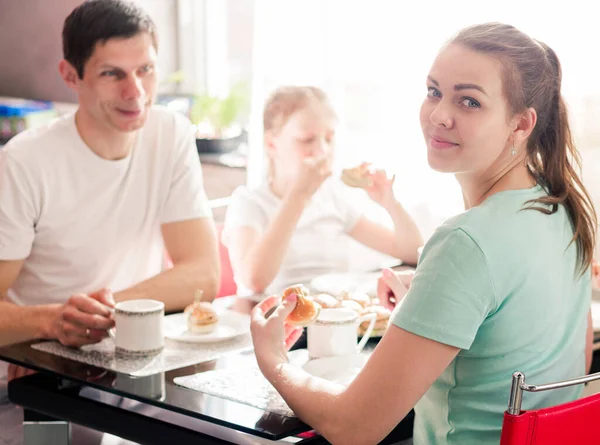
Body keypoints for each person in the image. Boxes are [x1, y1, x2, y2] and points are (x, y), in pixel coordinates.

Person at [250, 22, 597, 445]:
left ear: (521, 125)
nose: (439, 114)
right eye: (434, 91)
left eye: (469, 101)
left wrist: (273, 359)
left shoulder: (466, 242)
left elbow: (353, 426)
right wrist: (430, 294)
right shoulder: (561, 208)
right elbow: (567, 360)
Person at [0, 0, 218, 443]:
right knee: (58, 436)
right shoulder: (25, 162)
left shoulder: (170, 133)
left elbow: (202, 275)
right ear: (70, 75)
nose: (135, 91)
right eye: (112, 73)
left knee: (226, 434)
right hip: (35, 374)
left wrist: (99, 311)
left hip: (129, 363)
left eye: (146, 70)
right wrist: (51, 324)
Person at [222, 86, 423, 296]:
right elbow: (255, 280)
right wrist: (299, 195)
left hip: (332, 316)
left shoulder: (332, 199)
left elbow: (412, 252)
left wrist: (390, 203)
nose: (322, 151)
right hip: (275, 319)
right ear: (272, 144)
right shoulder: (249, 203)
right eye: (307, 140)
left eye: (328, 138)